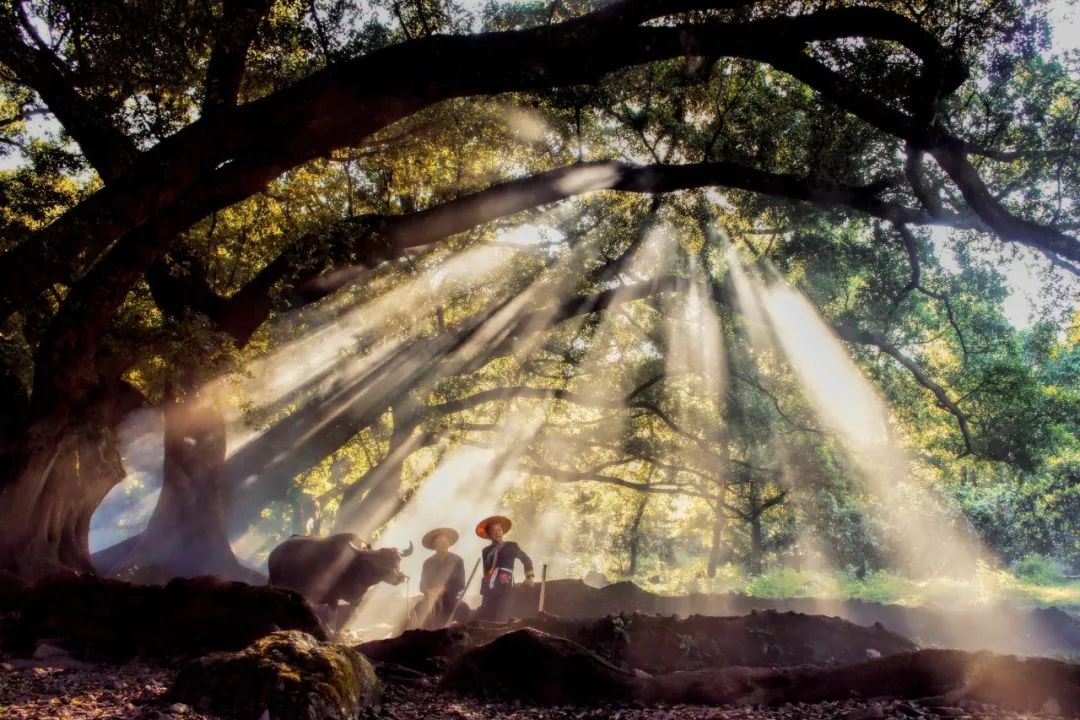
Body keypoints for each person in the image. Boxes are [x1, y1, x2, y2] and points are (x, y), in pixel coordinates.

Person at [475, 514, 534, 623]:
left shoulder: (511, 546)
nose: (498, 533)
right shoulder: (486, 551)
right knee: (485, 619)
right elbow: (486, 571)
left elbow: (526, 559)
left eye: (500, 529)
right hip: (489, 591)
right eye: (494, 531)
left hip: (505, 588)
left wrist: (529, 577)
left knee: (502, 618)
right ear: (489, 534)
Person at [416, 527, 466, 628]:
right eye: (440, 542)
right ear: (435, 545)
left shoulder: (457, 560)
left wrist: (444, 589)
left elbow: (461, 584)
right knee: (419, 607)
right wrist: (429, 591)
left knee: (463, 608)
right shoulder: (428, 563)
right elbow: (422, 586)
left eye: (446, 541)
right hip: (432, 600)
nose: (444, 544)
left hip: (450, 598)